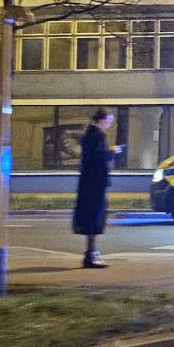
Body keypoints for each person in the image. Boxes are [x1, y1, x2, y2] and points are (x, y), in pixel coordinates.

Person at [73, 108, 113, 268]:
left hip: (89, 184)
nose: (109, 124)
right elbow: (99, 158)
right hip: (95, 185)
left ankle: (91, 254)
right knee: (94, 218)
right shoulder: (97, 136)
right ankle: (90, 256)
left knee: (92, 219)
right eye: (109, 121)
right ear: (101, 120)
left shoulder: (89, 136)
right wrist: (111, 152)